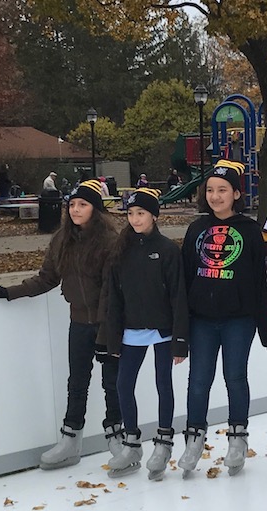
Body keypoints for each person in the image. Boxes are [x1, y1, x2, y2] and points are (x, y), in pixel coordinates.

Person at [0, 180, 126, 470]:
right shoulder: (62, 240)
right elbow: (47, 278)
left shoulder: (111, 242)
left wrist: (104, 333)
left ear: (95, 210)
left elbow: (114, 291)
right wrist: (9, 292)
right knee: (77, 383)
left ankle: (118, 439)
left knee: (113, 383)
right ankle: (71, 440)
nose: (75, 210)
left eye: (82, 205)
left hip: (108, 324)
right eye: (71, 205)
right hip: (78, 322)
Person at [177, 161, 267, 478]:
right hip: (202, 320)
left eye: (222, 190)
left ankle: (237, 438)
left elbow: (258, 283)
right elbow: (183, 282)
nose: (215, 196)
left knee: (235, 377)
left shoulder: (249, 232)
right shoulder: (196, 230)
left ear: (236, 193)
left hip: (239, 320)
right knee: (198, 381)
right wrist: (180, 329)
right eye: (210, 190)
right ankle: (194, 439)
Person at [102, 186, 190, 480]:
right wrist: (112, 338)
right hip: (131, 330)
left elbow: (179, 296)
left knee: (162, 384)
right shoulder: (120, 250)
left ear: (154, 215)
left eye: (141, 213)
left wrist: (180, 342)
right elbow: (113, 297)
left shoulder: (166, 250)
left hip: (163, 331)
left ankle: (164, 442)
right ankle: (131, 443)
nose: (135, 219)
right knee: (122, 385)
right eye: (130, 213)